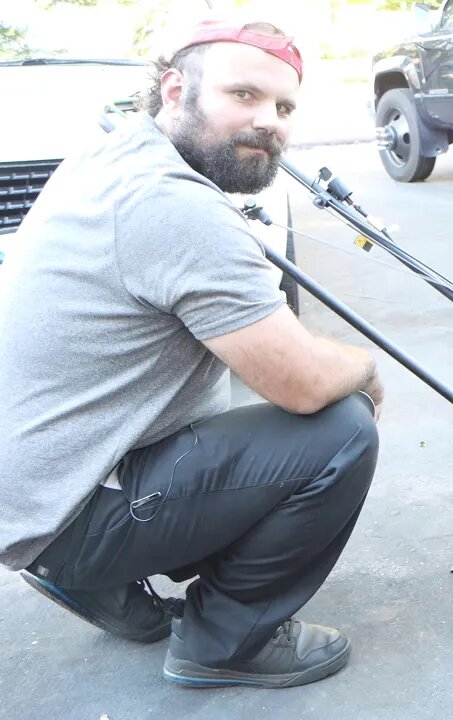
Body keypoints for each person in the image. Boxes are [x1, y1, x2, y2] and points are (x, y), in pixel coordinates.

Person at [0, 19, 383, 689]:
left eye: (284, 108)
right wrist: (368, 370)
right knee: (341, 427)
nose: (268, 122)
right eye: (244, 95)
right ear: (177, 89)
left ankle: (99, 581)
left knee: (254, 421)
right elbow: (300, 384)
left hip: (35, 486)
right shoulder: (175, 207)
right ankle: (224, 643)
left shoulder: (111, 155)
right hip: (64, 506)